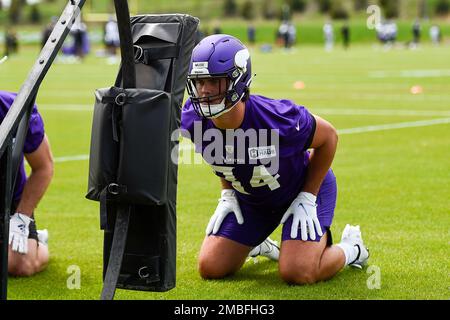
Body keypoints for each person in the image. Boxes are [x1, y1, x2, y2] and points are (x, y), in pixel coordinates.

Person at [180, 34, 369, 284]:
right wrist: (227, 193)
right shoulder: (192, 119)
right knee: (210, 267)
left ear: (238, 80)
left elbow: (329, 138)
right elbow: (223, 158)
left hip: (300, 191)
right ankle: (258, 243)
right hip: (253, 200)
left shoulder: (277, 118)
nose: (204, 90)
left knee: (297, 273)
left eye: (214, 81)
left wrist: (308, 195)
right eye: (200, 81)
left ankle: (352, 249)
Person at [0, 91, 53, 277]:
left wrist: (22, 218)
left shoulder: (14, 107)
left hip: (10, 201)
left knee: (20, 266)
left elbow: (43, 167)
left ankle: (39, 241)